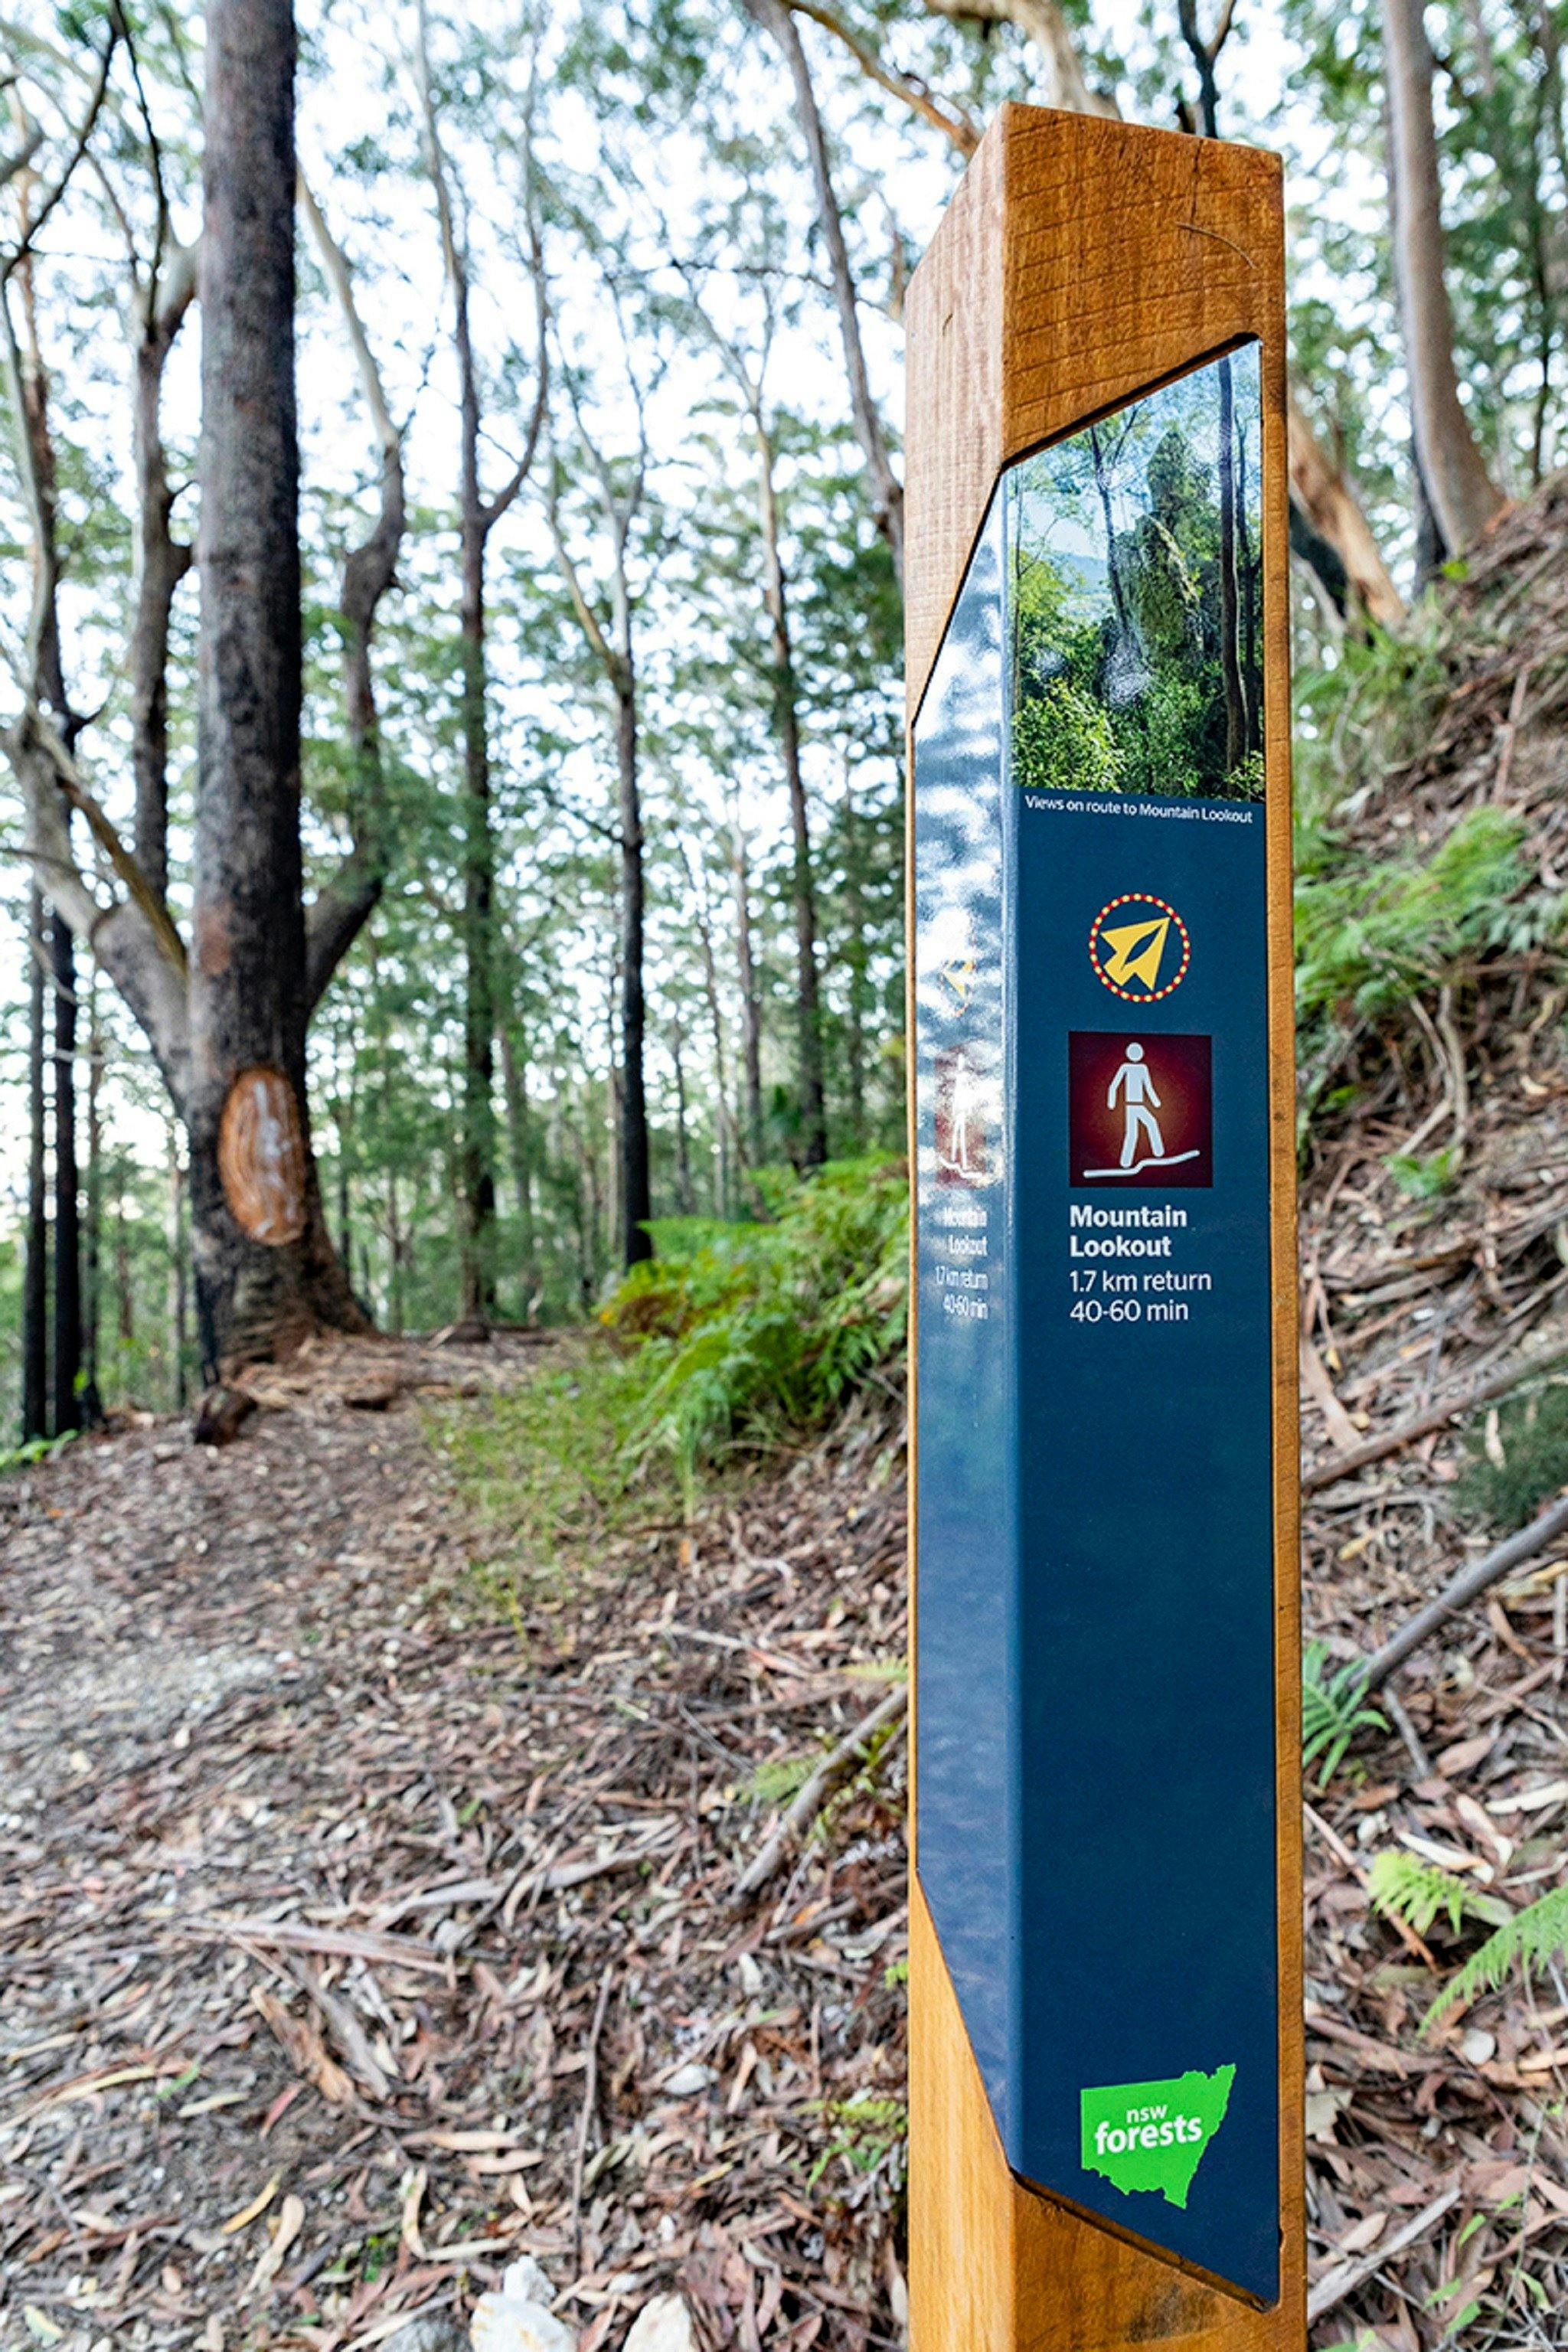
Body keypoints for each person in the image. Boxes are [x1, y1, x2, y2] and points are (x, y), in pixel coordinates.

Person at [1106, 1041, 1163, 1170]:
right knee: (1133, 1133)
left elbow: (1148, 1086)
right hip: (1131, 1106)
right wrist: (1112, 1102)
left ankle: (1158, 1153)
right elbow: (1114, 1085)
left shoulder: (1143, 1068)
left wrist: (1155, 1101)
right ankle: (1126, 1162)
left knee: (1151, 1123)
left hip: (1139, 1105)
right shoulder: (1125, 1067)